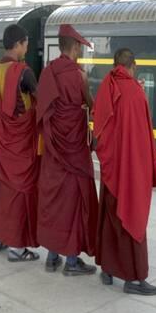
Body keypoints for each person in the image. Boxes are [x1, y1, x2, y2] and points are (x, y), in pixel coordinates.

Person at [92, 48, 156, 295]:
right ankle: (134, 279)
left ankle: (108, 271)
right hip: (130, 172)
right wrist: (148, 171)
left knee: (110, 220)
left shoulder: (105, 87)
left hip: (111, 171)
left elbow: (98, 130)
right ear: (133, 66)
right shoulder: (136, 93)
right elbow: (143, 139)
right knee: (133, 217)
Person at [36, 24, 99, 276]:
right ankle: (71, 262)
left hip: (53, 152)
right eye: (80, 49)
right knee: (73, 202)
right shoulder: (80, 76)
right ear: (74, 47)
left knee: (54, 202)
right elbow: (92, 106)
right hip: (74, 152)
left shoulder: (47, 73)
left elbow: (40, 113)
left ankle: (52, 258)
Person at [0, 23, 40, 262]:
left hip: (1, 142)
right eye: (25, 44)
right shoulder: (24, 72)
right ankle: (17, 246)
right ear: (18, 44)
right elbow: (41, 101)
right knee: (20, 192)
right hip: (21, 143)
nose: (26, 48)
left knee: (1, 189)